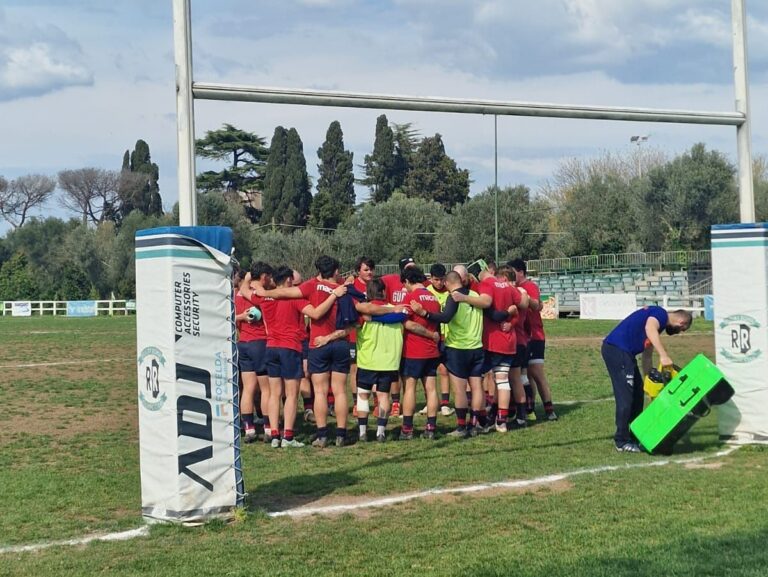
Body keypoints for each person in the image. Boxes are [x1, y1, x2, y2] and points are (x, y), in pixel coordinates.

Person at [260, 266, 346, 448]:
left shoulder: (265, 297)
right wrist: (333, 295)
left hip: (271, 347)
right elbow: (316, 313)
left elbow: (247, 288)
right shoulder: (295, 299)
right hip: (290, 347)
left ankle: (274, 435)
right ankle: (288, 437)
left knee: (274, 393)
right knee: (292, 395)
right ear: (289, 280)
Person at [602, 306, 692, 452]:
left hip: (625, 354)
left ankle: (635, 434)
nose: (679, 332)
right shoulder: (660, 314)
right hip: (617, 350)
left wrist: (647, 380)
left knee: (638, 394)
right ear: (682, 322)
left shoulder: (658, 327)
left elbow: (647, 355)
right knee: (626, 398)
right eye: (682, 330)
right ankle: (621, 441)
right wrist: (663, 355)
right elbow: (649, 328)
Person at [411, 271, 487, 437]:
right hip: (477, 347)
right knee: (477, 387)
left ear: (447, 283)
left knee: (459, 390)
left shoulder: (453, 297)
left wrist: (424, 313)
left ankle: (461, 427)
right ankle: (474, 424)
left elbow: (445, 317)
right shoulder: (475, 295)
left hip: (458, 348)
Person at [355, 277, 407, 443]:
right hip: (389, 362)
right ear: (384, 291)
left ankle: (362, 432)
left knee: (363, 395)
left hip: (367, 360)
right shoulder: (396, 310)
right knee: (384, 396)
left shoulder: (365, 311)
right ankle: (381, 432)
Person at [509, 258, 558, 421]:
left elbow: (537, 305)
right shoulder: (514, 288)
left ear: (521, 272)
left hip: (535, 336)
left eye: (512, 272)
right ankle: (529, 409)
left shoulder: (529, 286)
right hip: (522, 337)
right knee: (525, 375)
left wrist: (523, 296)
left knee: (536, 372)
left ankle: (549, 410)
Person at [400, 267, 442, 440]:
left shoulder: (411, 297)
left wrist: (428, 334)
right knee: (431, 389)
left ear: (407, 281)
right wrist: (432, 335)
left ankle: (407, 429)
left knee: (409, 388)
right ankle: (431, 428)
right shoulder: (433, 298)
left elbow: (408, 324)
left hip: (414, 350)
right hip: (431, 351)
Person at [235, 262, 273, 443]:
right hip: (259, 343)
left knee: (248, 388)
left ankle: (249, 429)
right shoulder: (260, 294)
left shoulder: (238, 294)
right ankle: (268, 428)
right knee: (266, 389)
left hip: (243, 343)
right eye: (269, 276)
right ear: (264, 276)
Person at [425, 263, 454, 417]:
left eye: (442, 279)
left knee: (444, 370)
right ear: (431, 279)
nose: (439, 283)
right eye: (436, 280)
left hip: (448, 336)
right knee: (429, 372)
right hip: (432, 336)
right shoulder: (427, 292)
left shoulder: (450, 291)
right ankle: (430, 402)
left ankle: (445, 403)